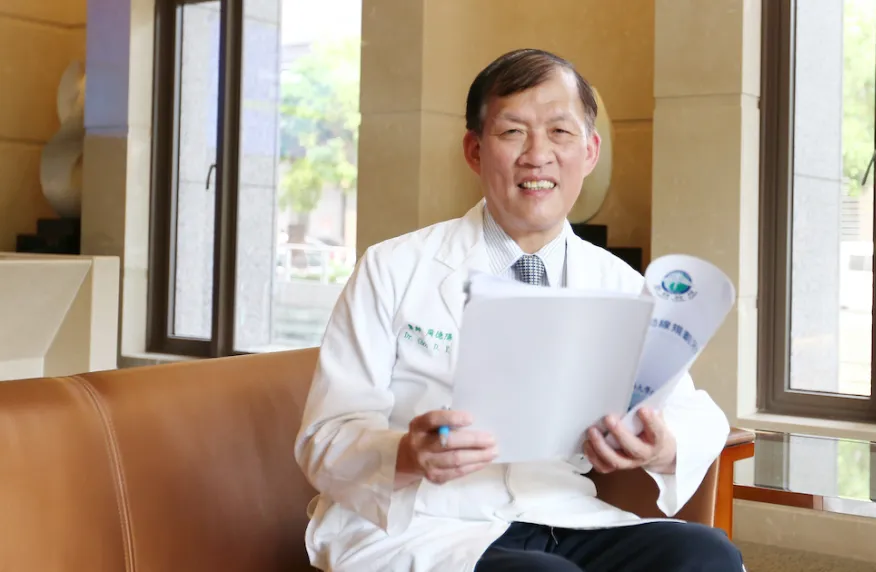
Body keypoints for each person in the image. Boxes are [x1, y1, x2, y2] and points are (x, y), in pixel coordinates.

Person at [294, 48, 745, 572]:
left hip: (563, 515)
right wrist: (407, 454)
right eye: (512, 133)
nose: (538, 155)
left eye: (560, 132)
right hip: (423, 524)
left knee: (705, 554)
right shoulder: (392, 268)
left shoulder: (620, 284)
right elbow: (324, 437)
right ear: (475, 150)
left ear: (590, 151)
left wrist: (660, 446)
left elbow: (691, 412)